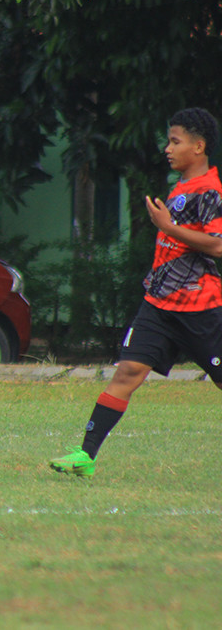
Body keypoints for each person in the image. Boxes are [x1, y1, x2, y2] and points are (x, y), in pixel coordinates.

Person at [49, 107, 222, 478]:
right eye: (169, 140)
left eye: (175, 141)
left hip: (199, 308)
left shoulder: (210, 190)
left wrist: (167, 227)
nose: (167, 148)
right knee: (127, 371)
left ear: (199, 145)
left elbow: (218, 245)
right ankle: (86, 455)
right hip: (158, 306)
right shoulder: (182, 188)